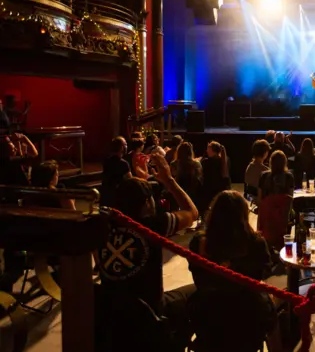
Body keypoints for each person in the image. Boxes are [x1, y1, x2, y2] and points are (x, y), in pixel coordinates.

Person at [96, 154, 198, 347]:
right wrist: (168, 180)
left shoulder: (101, 226)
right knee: (197, 292)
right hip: (150, 313)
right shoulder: (152, 225)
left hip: (111, 312)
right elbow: (192, 212)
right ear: (146, 203)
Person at [188, 191, 282, 351]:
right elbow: (262, 273)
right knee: (273, 303)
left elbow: (197, 275)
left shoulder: (199, 242)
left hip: (209, 313)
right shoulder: (255, 243)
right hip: (248, 315)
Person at [200, 141, 231, 214]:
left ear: (211, 150)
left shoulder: (206, 162)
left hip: (209, 191)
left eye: (208, 149)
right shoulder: (226, 160)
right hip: (222, 189)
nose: (206, 150)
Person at [101, 136, 132, 207]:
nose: (127, 146)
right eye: (125, 144)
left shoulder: (106, 161)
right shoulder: (123, 163)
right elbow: (130, 180)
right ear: (121, 147)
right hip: (118, 196)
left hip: (106, 197)